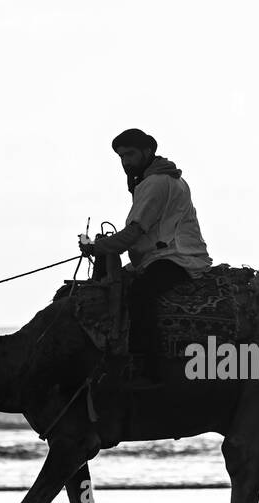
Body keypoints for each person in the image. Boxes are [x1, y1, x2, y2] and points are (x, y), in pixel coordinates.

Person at [80, 128, 212, 386]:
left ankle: (148, 367)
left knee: (139, 295)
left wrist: (98, 247)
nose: (125, 161)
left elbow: (133, 233)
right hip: (158, 255)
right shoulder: (153, 180)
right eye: (121, 156)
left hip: (176, 257)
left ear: (147, 151)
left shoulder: (156, 183)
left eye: (129, 154)